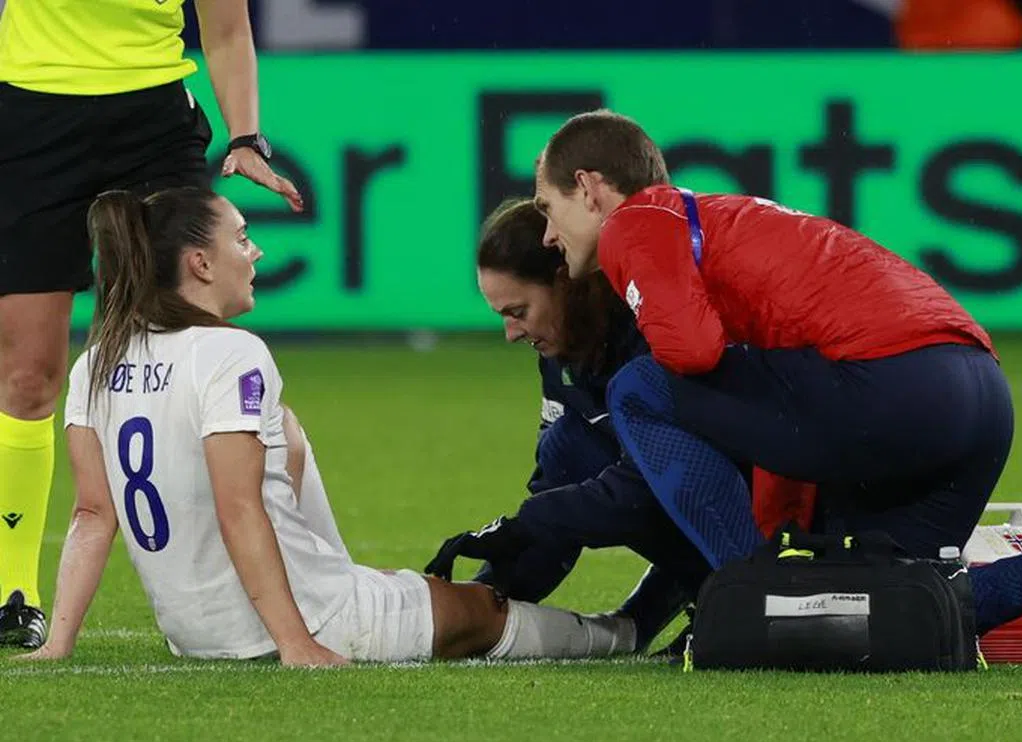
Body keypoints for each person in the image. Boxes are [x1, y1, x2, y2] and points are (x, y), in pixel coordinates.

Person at [528, 108, 1022, 667]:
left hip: (889, 384)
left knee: (638, 387)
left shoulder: (635, 223)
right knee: (885, 599)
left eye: (547, 209)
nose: (549, 236)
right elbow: (773, 393)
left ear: (588, 188)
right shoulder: (727, 220)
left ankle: (742, 597)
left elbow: (693, 350)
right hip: (978, 393)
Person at [15, 188, 636, 667]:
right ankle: (624, 633)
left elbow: (93, 515)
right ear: (201, 263)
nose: (255, 250)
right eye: (242, 237)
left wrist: (58, 643)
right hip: (306, 618)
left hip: (194, 635)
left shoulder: (96, 362)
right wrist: (295, 642)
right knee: (485, 612)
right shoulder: (231, 354)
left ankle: (346, 579)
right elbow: (239, 510)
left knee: (282, 429)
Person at [0, 0, 302, 648]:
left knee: (194, 342)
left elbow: (226, 30)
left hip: (152, 123)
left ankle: (256, 578)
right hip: (29, 116)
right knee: (27, 375)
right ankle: (12, 592)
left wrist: (244, 136)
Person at [426, 199, 707, 652]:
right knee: (565, 448)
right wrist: (486, 594)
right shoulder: (560, 356)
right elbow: (557, 493)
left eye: (517, 311)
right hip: (681, 499)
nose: (510, 333)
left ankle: (722, 589)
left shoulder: (651, 329)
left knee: (587, 458)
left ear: (563, 284)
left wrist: (529, 523)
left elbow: (649, 483)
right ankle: (670, 604)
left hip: (763, 515)